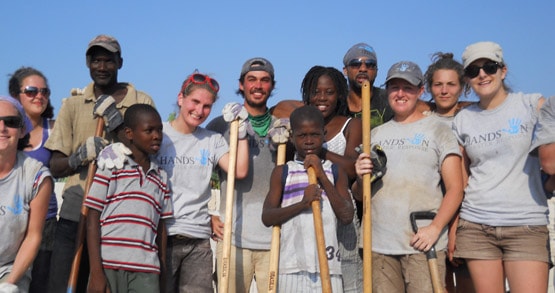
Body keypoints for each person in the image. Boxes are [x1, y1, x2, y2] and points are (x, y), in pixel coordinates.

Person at [46, 34, 155, 293]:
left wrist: (115, 121)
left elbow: (146, 158)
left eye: (109, 60)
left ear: (120, 62)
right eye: (97, 61)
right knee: (61, 286)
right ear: (88, 63)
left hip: (120, 221)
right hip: (76, 214)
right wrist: (78, 156)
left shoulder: (142, 102)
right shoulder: (73, 105)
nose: (102, 67)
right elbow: (55, 165)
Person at [352, 61, 464, 292]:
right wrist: (359, 175)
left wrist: (435, 228)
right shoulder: (374, 134)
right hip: (379, 245)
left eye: (408, 87)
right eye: (394, 87)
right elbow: (360, 195)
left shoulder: (438, 130)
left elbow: (456, 188)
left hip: (422, 243)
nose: (400, 93)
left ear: (420, 91)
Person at [452, 41, 549, 293]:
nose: (482, 74)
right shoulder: (463, 119)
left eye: (489, 67)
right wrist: (454, 228)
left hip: (526, 224)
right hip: (476, 225)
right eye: (474, 71)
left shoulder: (532, 105)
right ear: (467, 80)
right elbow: (461, 180)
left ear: (503, 71)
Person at [262, 105, 354, 293]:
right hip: (291, 268)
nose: (309, 141)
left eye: (315, 135)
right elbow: (267, 217)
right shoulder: (283, 172)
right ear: (293, 137)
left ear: (324, 134)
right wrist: (303, 204)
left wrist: (322, 176)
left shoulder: (335, 171)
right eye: (302, 136)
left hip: (328, 268)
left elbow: (346, 216)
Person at [206, 57, 277, 292]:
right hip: (232, 239)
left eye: (265, 80)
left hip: (274, 238)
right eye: (252, 80)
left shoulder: (282, 128)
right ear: (241, 85)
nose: (258, 86)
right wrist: (209, 215)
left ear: (272, 86)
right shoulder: (221, 124)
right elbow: (198, 172)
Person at [85, 104, 173, 293]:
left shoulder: (162, 178)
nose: (156, 135)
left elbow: (161, 228)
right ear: (129, 133)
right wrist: (96, 272)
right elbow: (92, 217)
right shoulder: (111, 166)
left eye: (160, 130)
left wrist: (163, 269)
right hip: (109, 264)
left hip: (146, 269)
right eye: (149, 130)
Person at [300, 65, 363, 292]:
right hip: (307, 213)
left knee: (347, 281)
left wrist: (318, 151)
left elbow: (352, 167)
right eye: (316, 91)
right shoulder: (299, 126)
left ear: (339, 96)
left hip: (341, 216)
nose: (322, 98)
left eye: (329, 92)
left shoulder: (351, 124)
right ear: (307, 94)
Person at [422, 53, 475, 293]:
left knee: (467, 283)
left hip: (468, 214)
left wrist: (456, 229)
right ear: (429, 88)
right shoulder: (422, 120)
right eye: (438, 84)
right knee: (438, 284)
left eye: (451, 84)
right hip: (431, 214)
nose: (444, 91)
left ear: (462, 87)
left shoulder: (473, 118)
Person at [8, 67, 58, 293]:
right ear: (15, 95)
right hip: (9, 219)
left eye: (44, 91)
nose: (39, 96)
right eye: (31, 91)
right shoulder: (4, 130)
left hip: (45, 222)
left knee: (39, 285)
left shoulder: (55, 129)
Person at [0, 96, 53, 292]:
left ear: (22, 130)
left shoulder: (36, 176)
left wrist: (9, 282)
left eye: (11, 122)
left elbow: (33, 236)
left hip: (9, 268)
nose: (2, 128)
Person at [342, 42, 393, 125]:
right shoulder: (336, 102)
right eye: (356, 64)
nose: (363, 69)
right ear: (345, 70)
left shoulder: (390, 100)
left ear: (376, 71)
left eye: (370, 64)